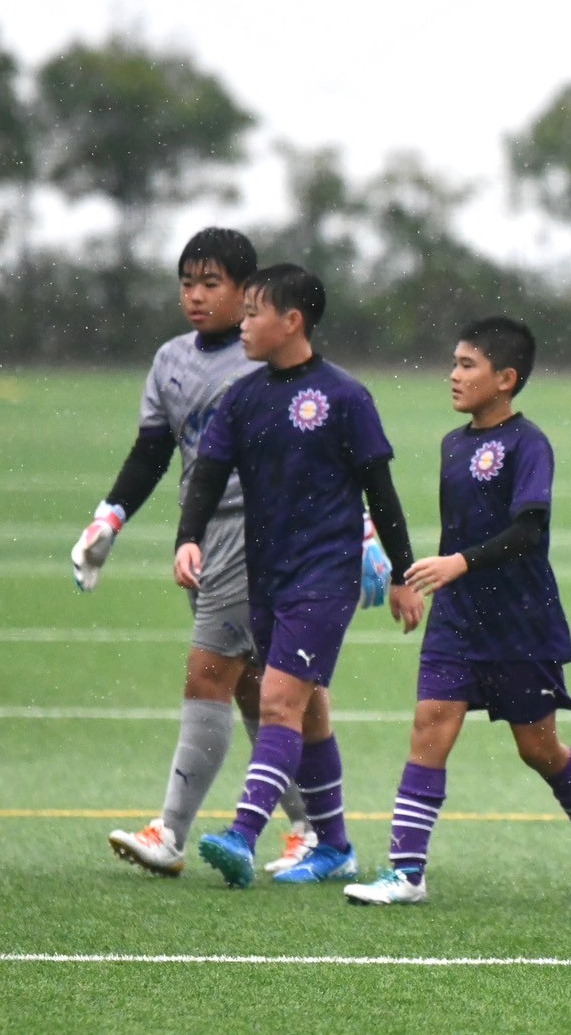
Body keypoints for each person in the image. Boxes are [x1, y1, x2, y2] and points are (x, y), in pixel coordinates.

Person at [342, 316, 571, 906]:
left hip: (521, 621)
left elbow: (529, 531)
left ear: (505, 379)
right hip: (458, 618)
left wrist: (460, 563)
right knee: (430, 726)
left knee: (539, 748)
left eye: (467, 365)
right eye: (454, 363)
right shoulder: (453, 444)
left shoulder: (530, 445)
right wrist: (412, 577)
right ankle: (406, 872)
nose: (453, 375)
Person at [173, 263, 424, 888]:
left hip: (325, 575)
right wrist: (187, 538)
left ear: (292, 321)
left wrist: (401, 572)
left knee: (278, 702)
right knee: (308, 713)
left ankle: (242, 834)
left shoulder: (345, 397)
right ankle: (334, 846)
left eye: (253, 312)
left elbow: (380, 489)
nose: (242, 324)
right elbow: (208, 475)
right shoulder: (243, 397)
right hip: (266, 575)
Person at [83, 228, 315, 877]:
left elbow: (317, 450)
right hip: (204, 533)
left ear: (246, 292)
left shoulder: (264, 360)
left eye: (211, 283)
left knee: (209, 673)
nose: (195, 295)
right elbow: (153, 451)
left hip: (255, 536)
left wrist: (357, 530)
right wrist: (109, 517)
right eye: (187, 283)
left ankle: (171, 834)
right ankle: (314, 826)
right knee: (258, 686)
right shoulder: (170, 360)